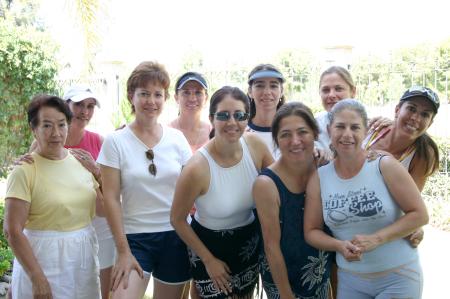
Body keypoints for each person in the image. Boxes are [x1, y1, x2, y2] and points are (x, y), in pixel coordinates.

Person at [304, 99, 429, 299]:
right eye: (340, 126)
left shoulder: (384, 165)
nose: (347, 134)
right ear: (329, 129)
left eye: (355, 127)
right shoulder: (320, 177)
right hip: (350, 281)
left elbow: (420, 215)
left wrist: (377, 239)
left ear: (365, 131)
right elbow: (311, 232)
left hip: (398, 277)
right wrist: (339, 245)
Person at [97, 61, 192, 299]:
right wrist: (122, 250)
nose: (151, 101)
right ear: (131, 96)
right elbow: (110, 198)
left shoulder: (177, 139)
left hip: (176, 235)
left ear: (165, 98)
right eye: (144, 94)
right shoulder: (115, 142)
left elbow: (193, 186)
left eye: (158, 94)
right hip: (134, 238)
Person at [171, 86, 273, 299]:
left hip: (248, 242)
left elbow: (279, 183)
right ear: (211, 118)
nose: (232, 122)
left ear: (248, 117)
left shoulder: (255, 146)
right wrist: (208, 260)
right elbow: (177, 220)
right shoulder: (196, 168)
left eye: (240, 115)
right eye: (224, 115)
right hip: (209, 247)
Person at [3, 95, 103, 299]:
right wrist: (37, 278)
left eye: (61, 125)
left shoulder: (80, 161)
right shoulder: (24, 171)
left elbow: (102, 209)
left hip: (82, 259)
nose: (56, 133)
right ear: (34, 129)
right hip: (43, 259)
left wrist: (98, 174)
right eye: (47, 126)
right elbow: (12, 231)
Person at [253, 102, 332, 299]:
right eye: (285, 134)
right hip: (283, 281)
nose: (295, 141)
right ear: (277, 140)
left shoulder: (325, 169)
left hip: (320, 273)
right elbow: (271, 246)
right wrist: (286, 294)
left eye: (302, 132)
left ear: (315, 134)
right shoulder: (267, 184)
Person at [246, 64, 286, 159]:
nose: (267, 92)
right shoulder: (240, 132)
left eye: (273, 86)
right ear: (250, 92)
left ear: (281, 91)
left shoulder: (292, 131)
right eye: (260, 86)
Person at [169, 72, 211, 152]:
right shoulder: (165, 133)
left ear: (206, 98)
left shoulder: (214, 133)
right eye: (186, 92)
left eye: (198, 92)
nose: (192, 99)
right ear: (176, 97)